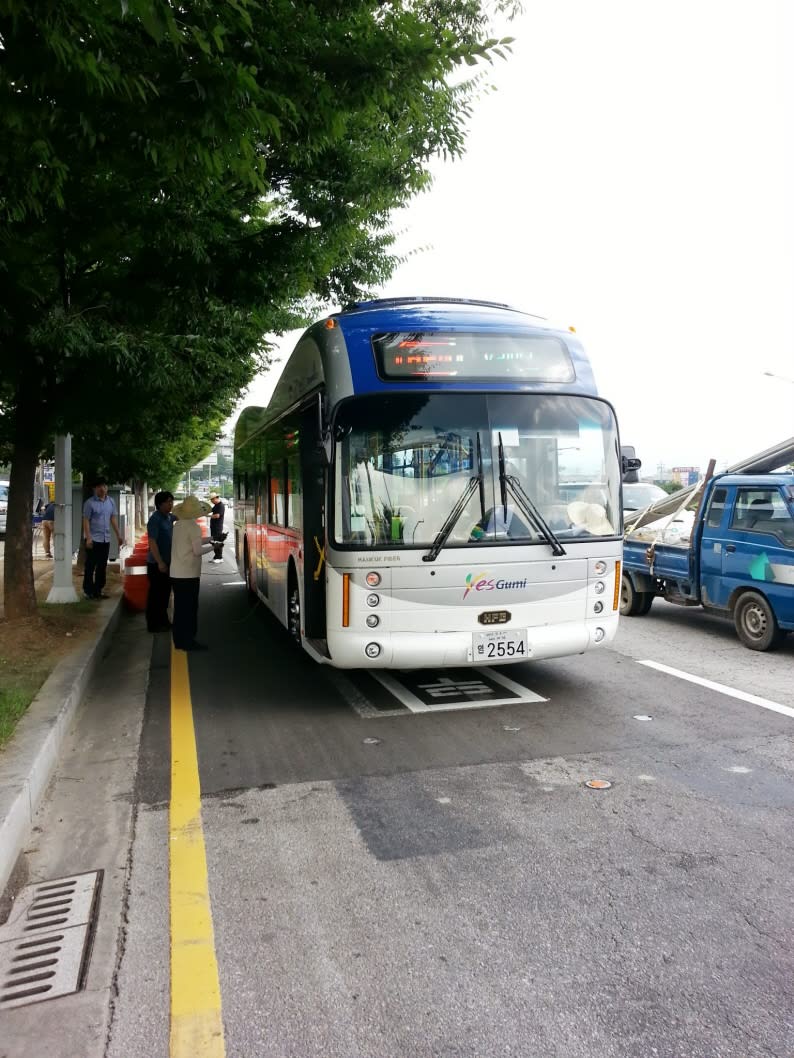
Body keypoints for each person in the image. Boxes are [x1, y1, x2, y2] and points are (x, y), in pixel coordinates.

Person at [170, 495, 223, 651]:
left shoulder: (178, 525)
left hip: (176, 573)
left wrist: (213, 538)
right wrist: (214, 546)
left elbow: (194, 541)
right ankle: (189, 641)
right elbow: (197, 550)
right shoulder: (193, 527)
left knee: (180, 609)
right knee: (190, 609)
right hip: (189, 574)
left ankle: (179, 640)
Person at [82, 477, 125, 600]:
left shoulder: (110, 501)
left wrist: (118, 535)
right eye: (99, 486)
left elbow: (113, 519)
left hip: (105, 539)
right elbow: (86, 520)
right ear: (95, 488)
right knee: (90, 566)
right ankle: (88, 591)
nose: (102, 488)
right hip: (93, 539)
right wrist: (88, 538)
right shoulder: (89, 503)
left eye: (104, 486)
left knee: (102, 566)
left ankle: (98, 590)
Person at [146, 490, 175, 633]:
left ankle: (164, 621)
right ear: (160, 504)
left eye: (171, 501)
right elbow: (152, 542)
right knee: (156, 595)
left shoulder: (169, 517)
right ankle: (153, 624)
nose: (171, 504)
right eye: (168, 502)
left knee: (165, 594)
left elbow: (182, 515)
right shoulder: (155, 519)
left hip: (167, 562)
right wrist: (160, 562)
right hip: (156, 564)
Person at [208, 492, 226, 563]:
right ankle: (216, 557)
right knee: (214, 542)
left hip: (217, 527)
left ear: (215, 498)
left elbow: (217, 516)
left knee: (218, 542)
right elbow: (210, 510)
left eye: (212, 500)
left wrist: (207, 516)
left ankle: (220, 558)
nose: (211, 501)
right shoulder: (216, 505)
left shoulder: (220, 506)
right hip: (214, 527)